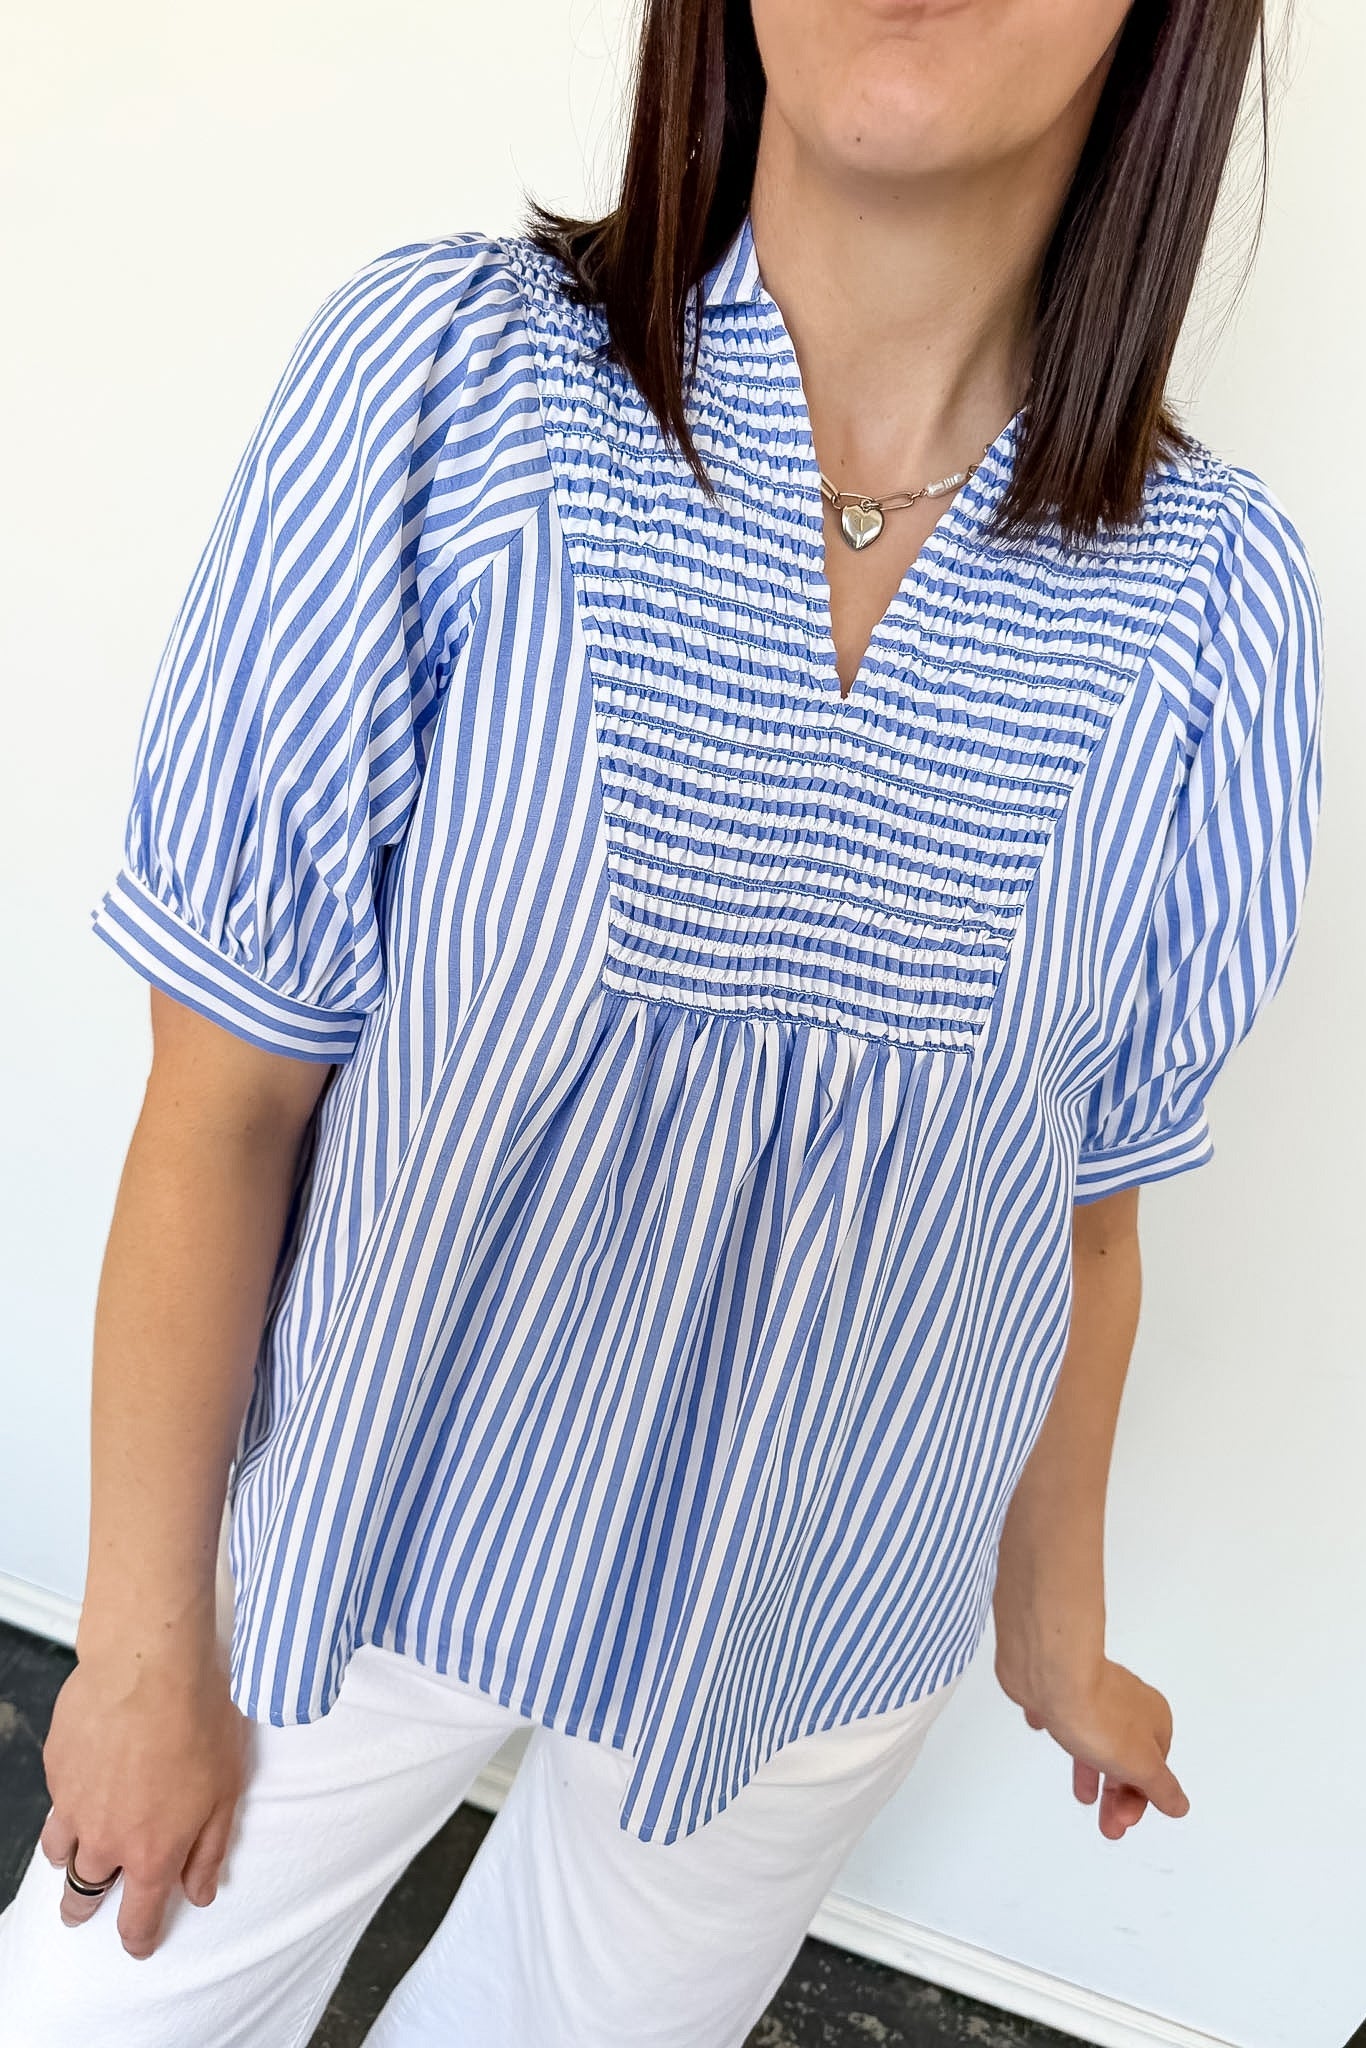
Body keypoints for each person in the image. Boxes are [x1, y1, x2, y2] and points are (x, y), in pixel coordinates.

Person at [0, 0, 1325, 2042]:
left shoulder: (1213, 609)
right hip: (356, 1545)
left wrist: (1050, 1627)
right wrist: (142, 1638)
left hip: (817, 1626)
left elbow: (1080, 1205)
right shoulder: (447, 388)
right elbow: (228, 1090)